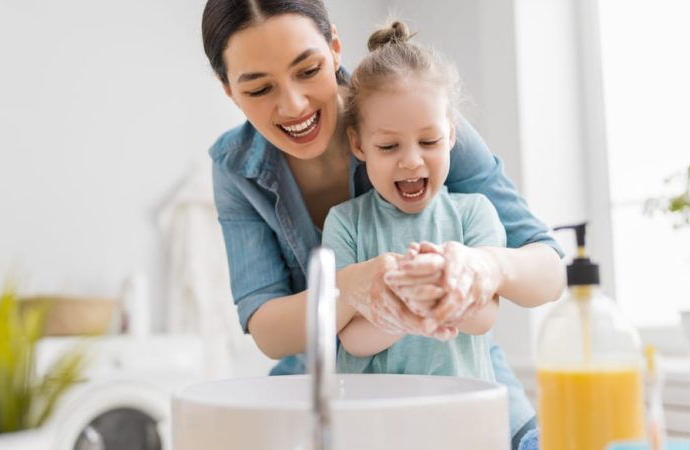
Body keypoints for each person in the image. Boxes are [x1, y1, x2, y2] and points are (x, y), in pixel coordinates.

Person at [200, 1, 566, 448]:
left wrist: (486, 267)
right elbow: (268, 329)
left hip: (458, 385)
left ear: (334, 47)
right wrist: (354, 286)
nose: (293, 105)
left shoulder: (411, 106)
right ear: (228, 90)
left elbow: (547, 268)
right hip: (332, 396)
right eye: (259, 90)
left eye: (308, 69)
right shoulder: (235, 168)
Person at [324, 21, 504, 381]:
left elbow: (484, 318)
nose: (411, 160)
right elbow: (352, 338)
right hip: (374, 422)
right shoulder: (345, 223)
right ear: (359, 145)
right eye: (389, 146)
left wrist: (434, 295)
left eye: (429, 142)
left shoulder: (474, 213)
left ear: (450, 134)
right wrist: (409, 307)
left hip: (458, 418)